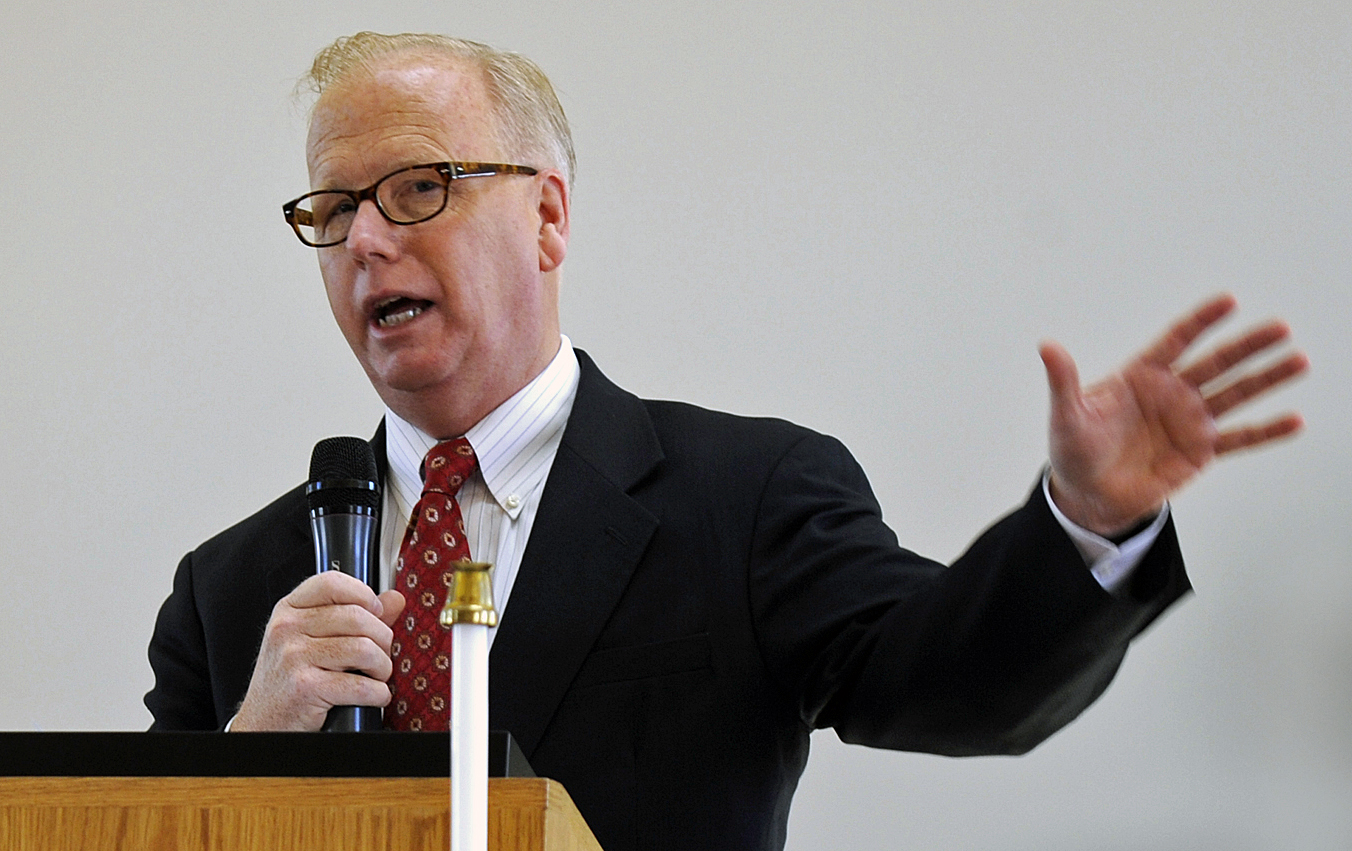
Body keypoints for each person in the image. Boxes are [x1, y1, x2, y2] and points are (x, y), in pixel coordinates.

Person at [144, 32, 1308, 851]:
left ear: (547, 213)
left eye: (416, 189)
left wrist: (1087, 520)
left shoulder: (741, 496)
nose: (365, 244)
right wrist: (241, 755)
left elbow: (956, 686)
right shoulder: (231, 588)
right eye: (333, 210)